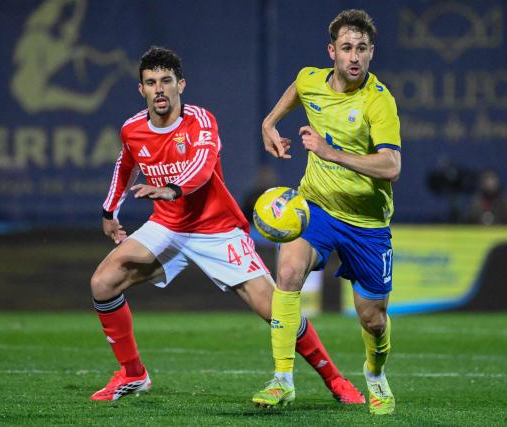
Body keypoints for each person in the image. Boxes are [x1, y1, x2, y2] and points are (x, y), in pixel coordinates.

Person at [89, 46, 364, 404]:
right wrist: (110, 211)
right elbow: (125, 165)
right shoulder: (132, 129)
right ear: (141, 89)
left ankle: (335, 380)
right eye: (151, 82)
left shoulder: (201, 121)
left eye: (166, 81)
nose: (159, 89)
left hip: (217, 229)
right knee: (103, 282)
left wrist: (171, 189)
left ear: (180, 85)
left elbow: (202, 169)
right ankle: (132, 374)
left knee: (273, 309)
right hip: (168, 226)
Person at [251, 10, 401, 415]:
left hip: (367, 224)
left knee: (373, 320)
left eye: (362, 49)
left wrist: (329, 151)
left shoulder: (378, 101)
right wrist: (269, 122)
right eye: (347, 48)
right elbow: (299, 90)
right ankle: (282, 379)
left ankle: (374, 373)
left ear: (372, 53)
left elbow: (391, 166)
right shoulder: (311, 79)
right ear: (331, 51)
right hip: (316, 207)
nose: (355, 57)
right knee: (286, 272)